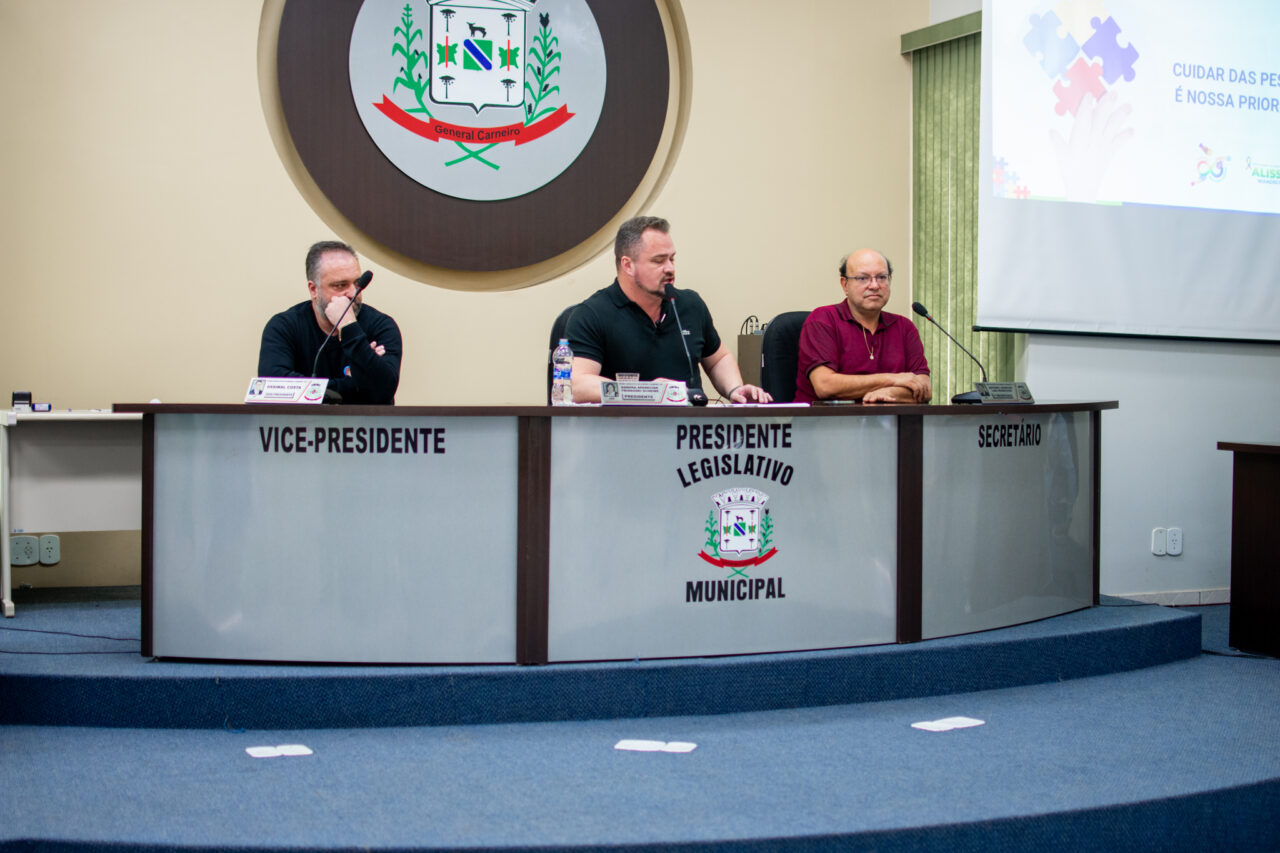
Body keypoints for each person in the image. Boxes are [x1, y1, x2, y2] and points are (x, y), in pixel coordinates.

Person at [566, 216, 771, 404]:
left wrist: (735, 388)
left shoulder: (690, 304)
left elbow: (718, 358)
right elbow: (577, 385)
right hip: (625, 434)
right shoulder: (592, 314)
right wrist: (649, 391)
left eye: (672, 259)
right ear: (628, 265)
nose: (670, 268)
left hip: (689, 433)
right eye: (659, 260)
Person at [258, 241, 402, 404]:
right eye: (340, 285)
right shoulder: (283, 327)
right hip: (302, 427)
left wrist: (349, 326)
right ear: (314, 289)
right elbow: (274, 389)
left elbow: (382, 392)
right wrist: (354, 383)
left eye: (357, 283)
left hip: (365, 427)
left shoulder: (381, 326)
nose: (352, 293)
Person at [794, 249, 931, 404]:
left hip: (891, 424)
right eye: (863, 278)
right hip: (827, 423)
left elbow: (924, 388)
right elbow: (825, 386)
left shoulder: (904, 327)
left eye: (881, 277)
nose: (874, 285)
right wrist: (894, 379)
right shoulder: (822, 320)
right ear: (845, 285)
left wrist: (889, 392)